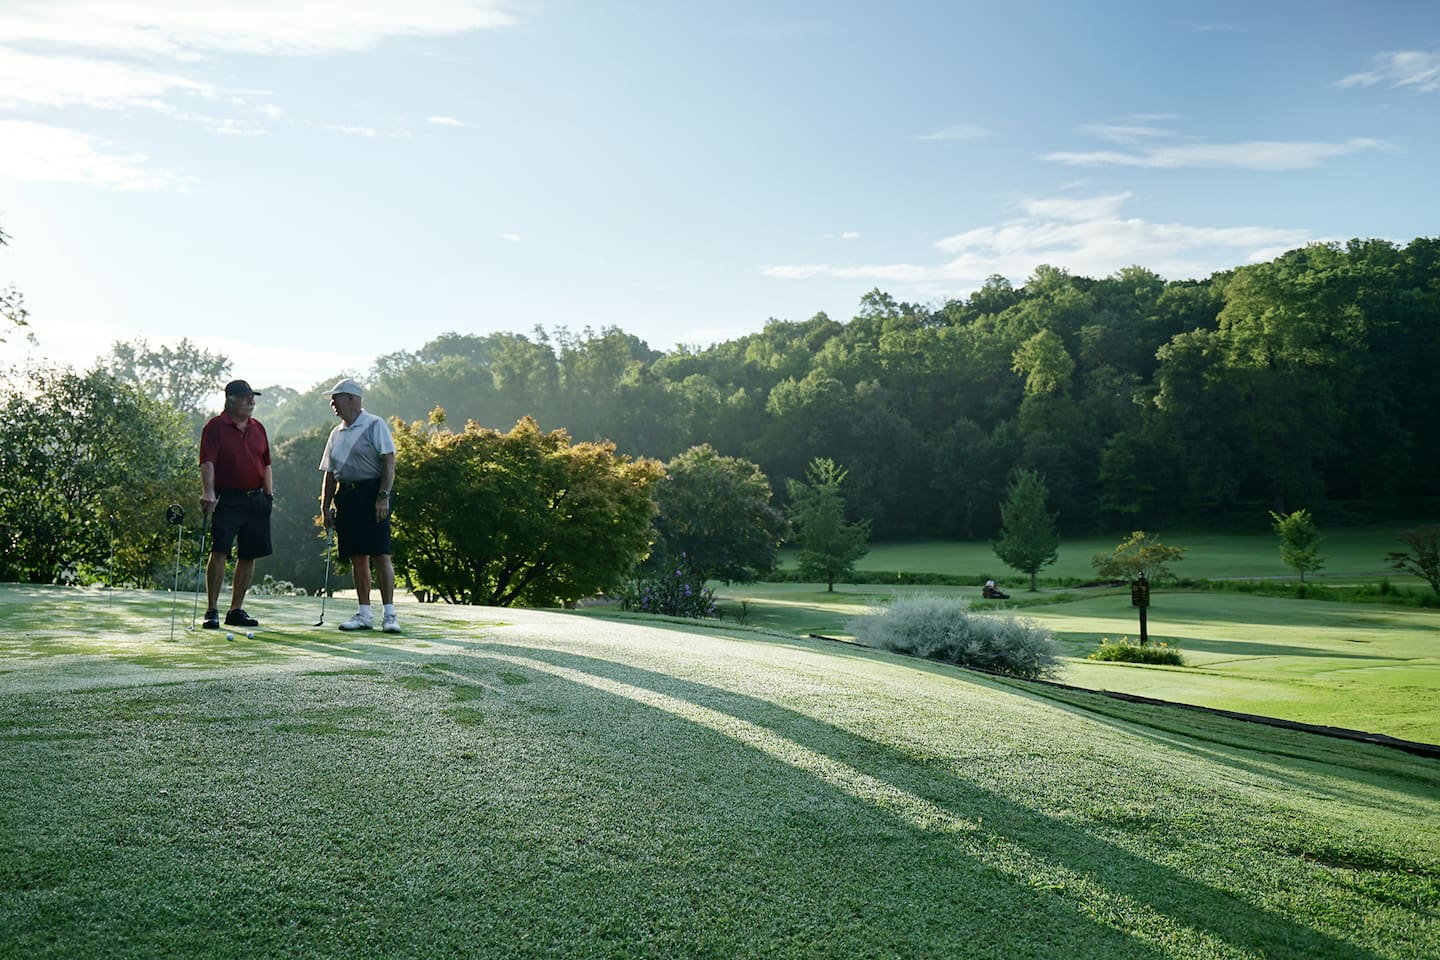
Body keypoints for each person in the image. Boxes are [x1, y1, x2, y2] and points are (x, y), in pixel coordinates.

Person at [319, 378, 400, 633]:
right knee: (357, 556)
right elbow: (330, 474)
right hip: (348, 496)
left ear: (352, 399)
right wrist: (326, 506)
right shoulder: (336, 433)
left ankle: (389, 614)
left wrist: (383, 495)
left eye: (337, 398)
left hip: (372, 493)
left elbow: (388, 462)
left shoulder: (375, 425)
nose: (333, 403)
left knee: (380, 553)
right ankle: (364, 613)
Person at [199, 379, 274, 630]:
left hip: (256, 499)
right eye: (246, 398)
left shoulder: (258, 428)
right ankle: (212, 610)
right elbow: (207, 462)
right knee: (219, 551)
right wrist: (208, 492)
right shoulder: (215, 427)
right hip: (227, 499)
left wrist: (269, 495)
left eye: (253, 397)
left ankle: (235, 610)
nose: (251, 402)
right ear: (230, 400)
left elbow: (266, 463)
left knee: (248, 554)